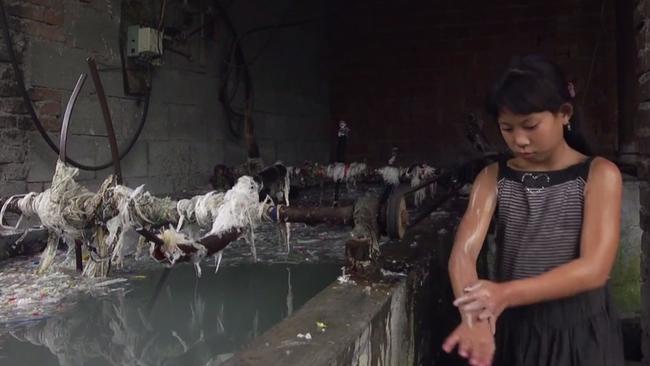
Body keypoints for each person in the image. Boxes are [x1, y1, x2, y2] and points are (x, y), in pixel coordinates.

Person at [441, 55, 625, 366]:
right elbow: (463, 254)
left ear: (564, 114)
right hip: (516, 332)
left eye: (530, 126)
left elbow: (595, 268)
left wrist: (505, 294)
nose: (520, 140)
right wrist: (475, 318)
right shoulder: (493, 178)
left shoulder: (599, 174)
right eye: (507, 128)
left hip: (581, 334)